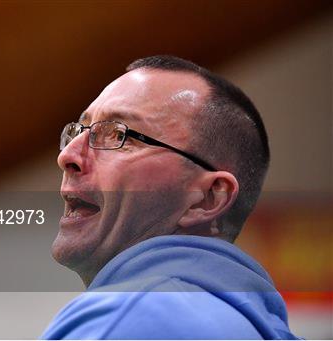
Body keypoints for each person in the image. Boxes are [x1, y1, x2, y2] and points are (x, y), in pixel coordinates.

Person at [40, 55, 299, 339]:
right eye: (78, 131)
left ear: (208, 198)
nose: (67, 156)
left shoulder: (131, 316)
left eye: (117, 135)